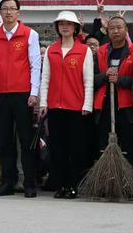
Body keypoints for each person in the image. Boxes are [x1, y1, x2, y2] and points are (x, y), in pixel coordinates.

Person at [0, 0, 41, 198]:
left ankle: (29, 183)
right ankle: (8, 182)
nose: (8, 12)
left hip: (23, 94)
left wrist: (34, 92)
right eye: (5, 9)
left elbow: (35, 65)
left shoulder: (29, 34)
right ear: (0, 13)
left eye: (12, 9)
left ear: (19, 13)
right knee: (5, 141)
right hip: (0, 95)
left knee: (26, 141)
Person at [40, 11, 93, 199]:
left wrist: (87, 104)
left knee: (74, 149)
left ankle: (72, 185)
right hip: (55, 107)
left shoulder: (84, 50)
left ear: (75, 28)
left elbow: (88, 80)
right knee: (57, 148)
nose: (65, 27)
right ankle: (61, 185)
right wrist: (43, 102)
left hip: (76, 107)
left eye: (69, 24)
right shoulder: (51, 50)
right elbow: (45, 78)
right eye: (61, 24)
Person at [93, 16, 133, 170]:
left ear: (126, 30)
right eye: (112, 28)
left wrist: (120, 80)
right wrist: (105, 76)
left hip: (127, 107)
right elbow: (90, 80)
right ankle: (105, 179)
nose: (115, 31)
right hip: (104, 106)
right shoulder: (100, 52)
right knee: (102, 145)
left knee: (130, 146)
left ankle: (131, 180)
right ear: (107, 31)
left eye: (119, 27)